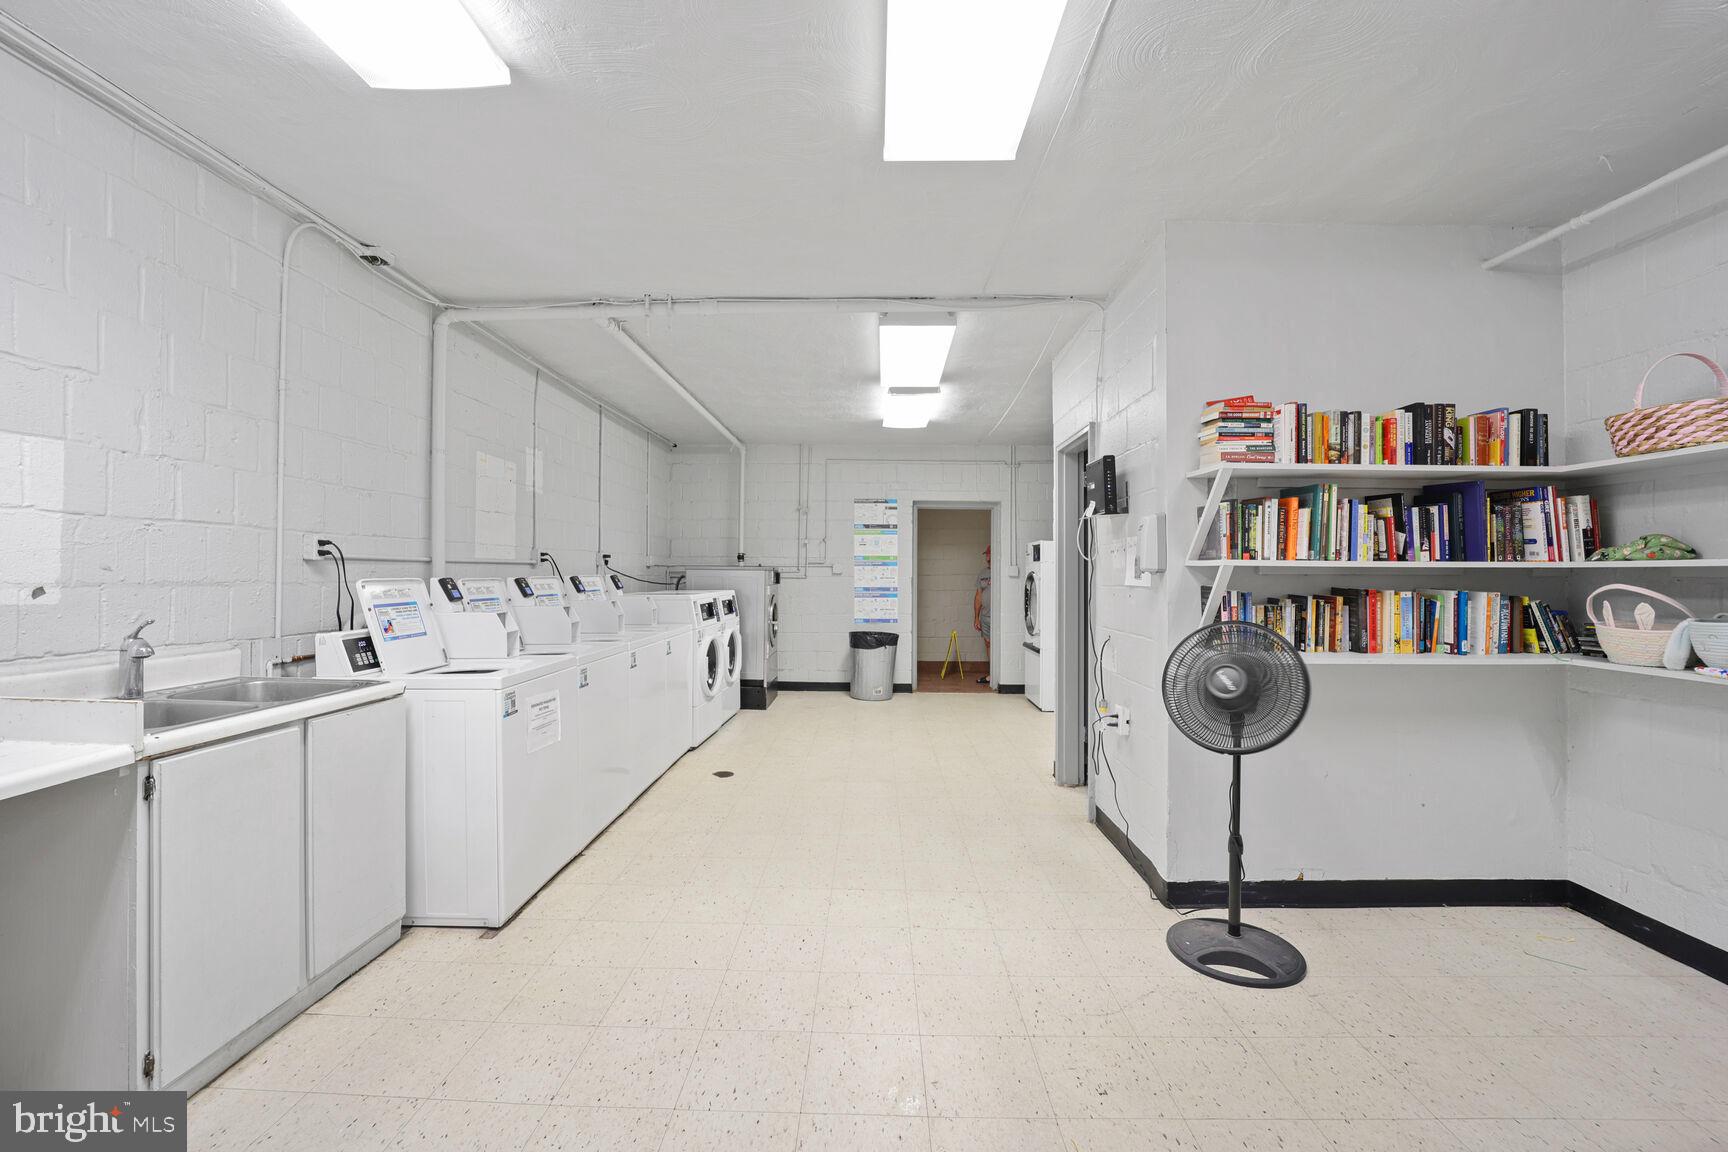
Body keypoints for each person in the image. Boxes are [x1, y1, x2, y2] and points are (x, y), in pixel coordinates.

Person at [972, 545, 991, 685]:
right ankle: (992, 674)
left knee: (997, 644)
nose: (987, 557)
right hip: (985, 616)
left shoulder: (1000, 571)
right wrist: (976, 617)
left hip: (998, 618)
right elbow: (978, 596)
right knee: (988, 643)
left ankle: (1000, 675)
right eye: (986, 555)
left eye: (989, 554)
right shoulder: (982, 574)